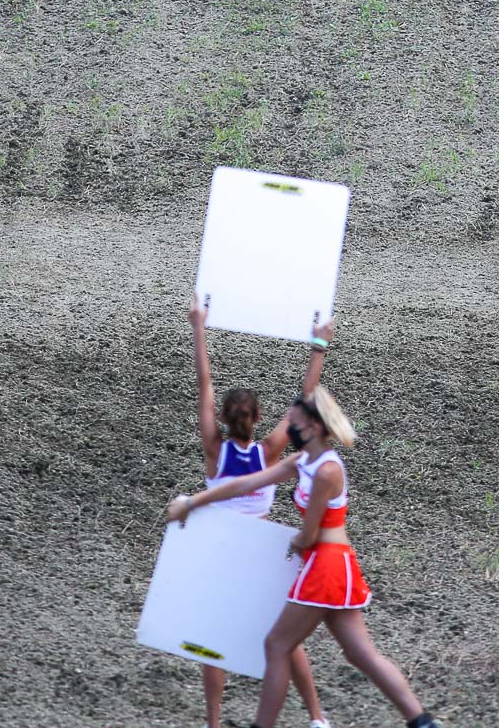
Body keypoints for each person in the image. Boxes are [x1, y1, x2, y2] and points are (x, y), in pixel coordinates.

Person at [167, 390, 442, 728]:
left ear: (313, 426)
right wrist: (193, 502)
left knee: (278, 645)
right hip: (335, 565)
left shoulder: (326, 471)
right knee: (359, 653)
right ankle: (422, 721)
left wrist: (293, 542)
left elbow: (308, 535)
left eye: (294, 424)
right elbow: (247, 483)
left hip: (325, 566)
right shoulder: (304, 461)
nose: (290, 429)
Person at [187, 296, 334, 728]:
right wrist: (318, 345)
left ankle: (213, 722)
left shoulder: (214, 450)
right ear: (258, 417)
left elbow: (204, 384)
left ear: (224, 418)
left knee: (211, 639)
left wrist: (199, 327)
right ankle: (316, 716)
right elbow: (305, 399)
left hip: (219, 551)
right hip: (260, 550)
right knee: (287, 638)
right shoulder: (270, 452)